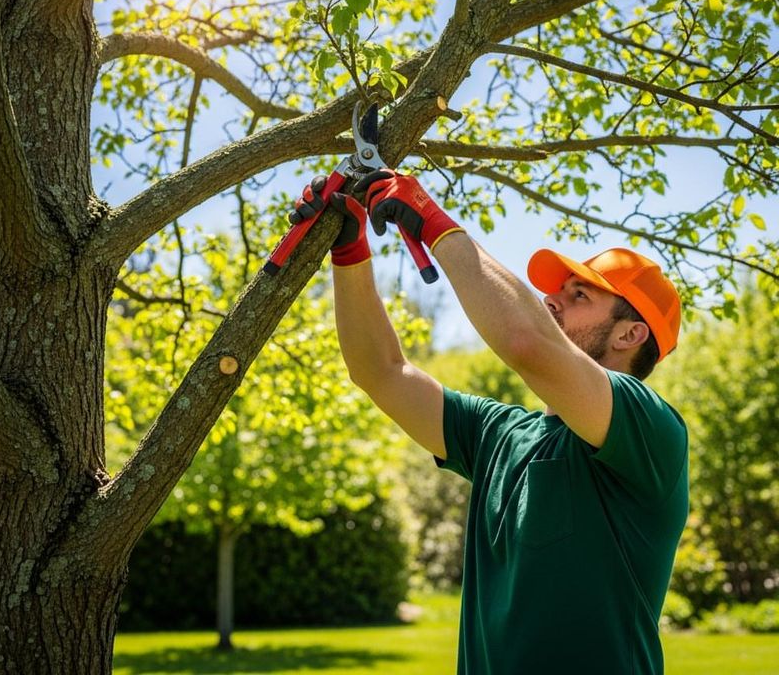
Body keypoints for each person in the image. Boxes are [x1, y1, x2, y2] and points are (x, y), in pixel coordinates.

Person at [290, 169, 689, 675]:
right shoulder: (499, 435)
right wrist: (349, 251)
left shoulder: (651, 430)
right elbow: (381, 372)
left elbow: (528, 344)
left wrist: (433, 222)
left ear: (629, 335)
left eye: (579, 296)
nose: (551, 300)